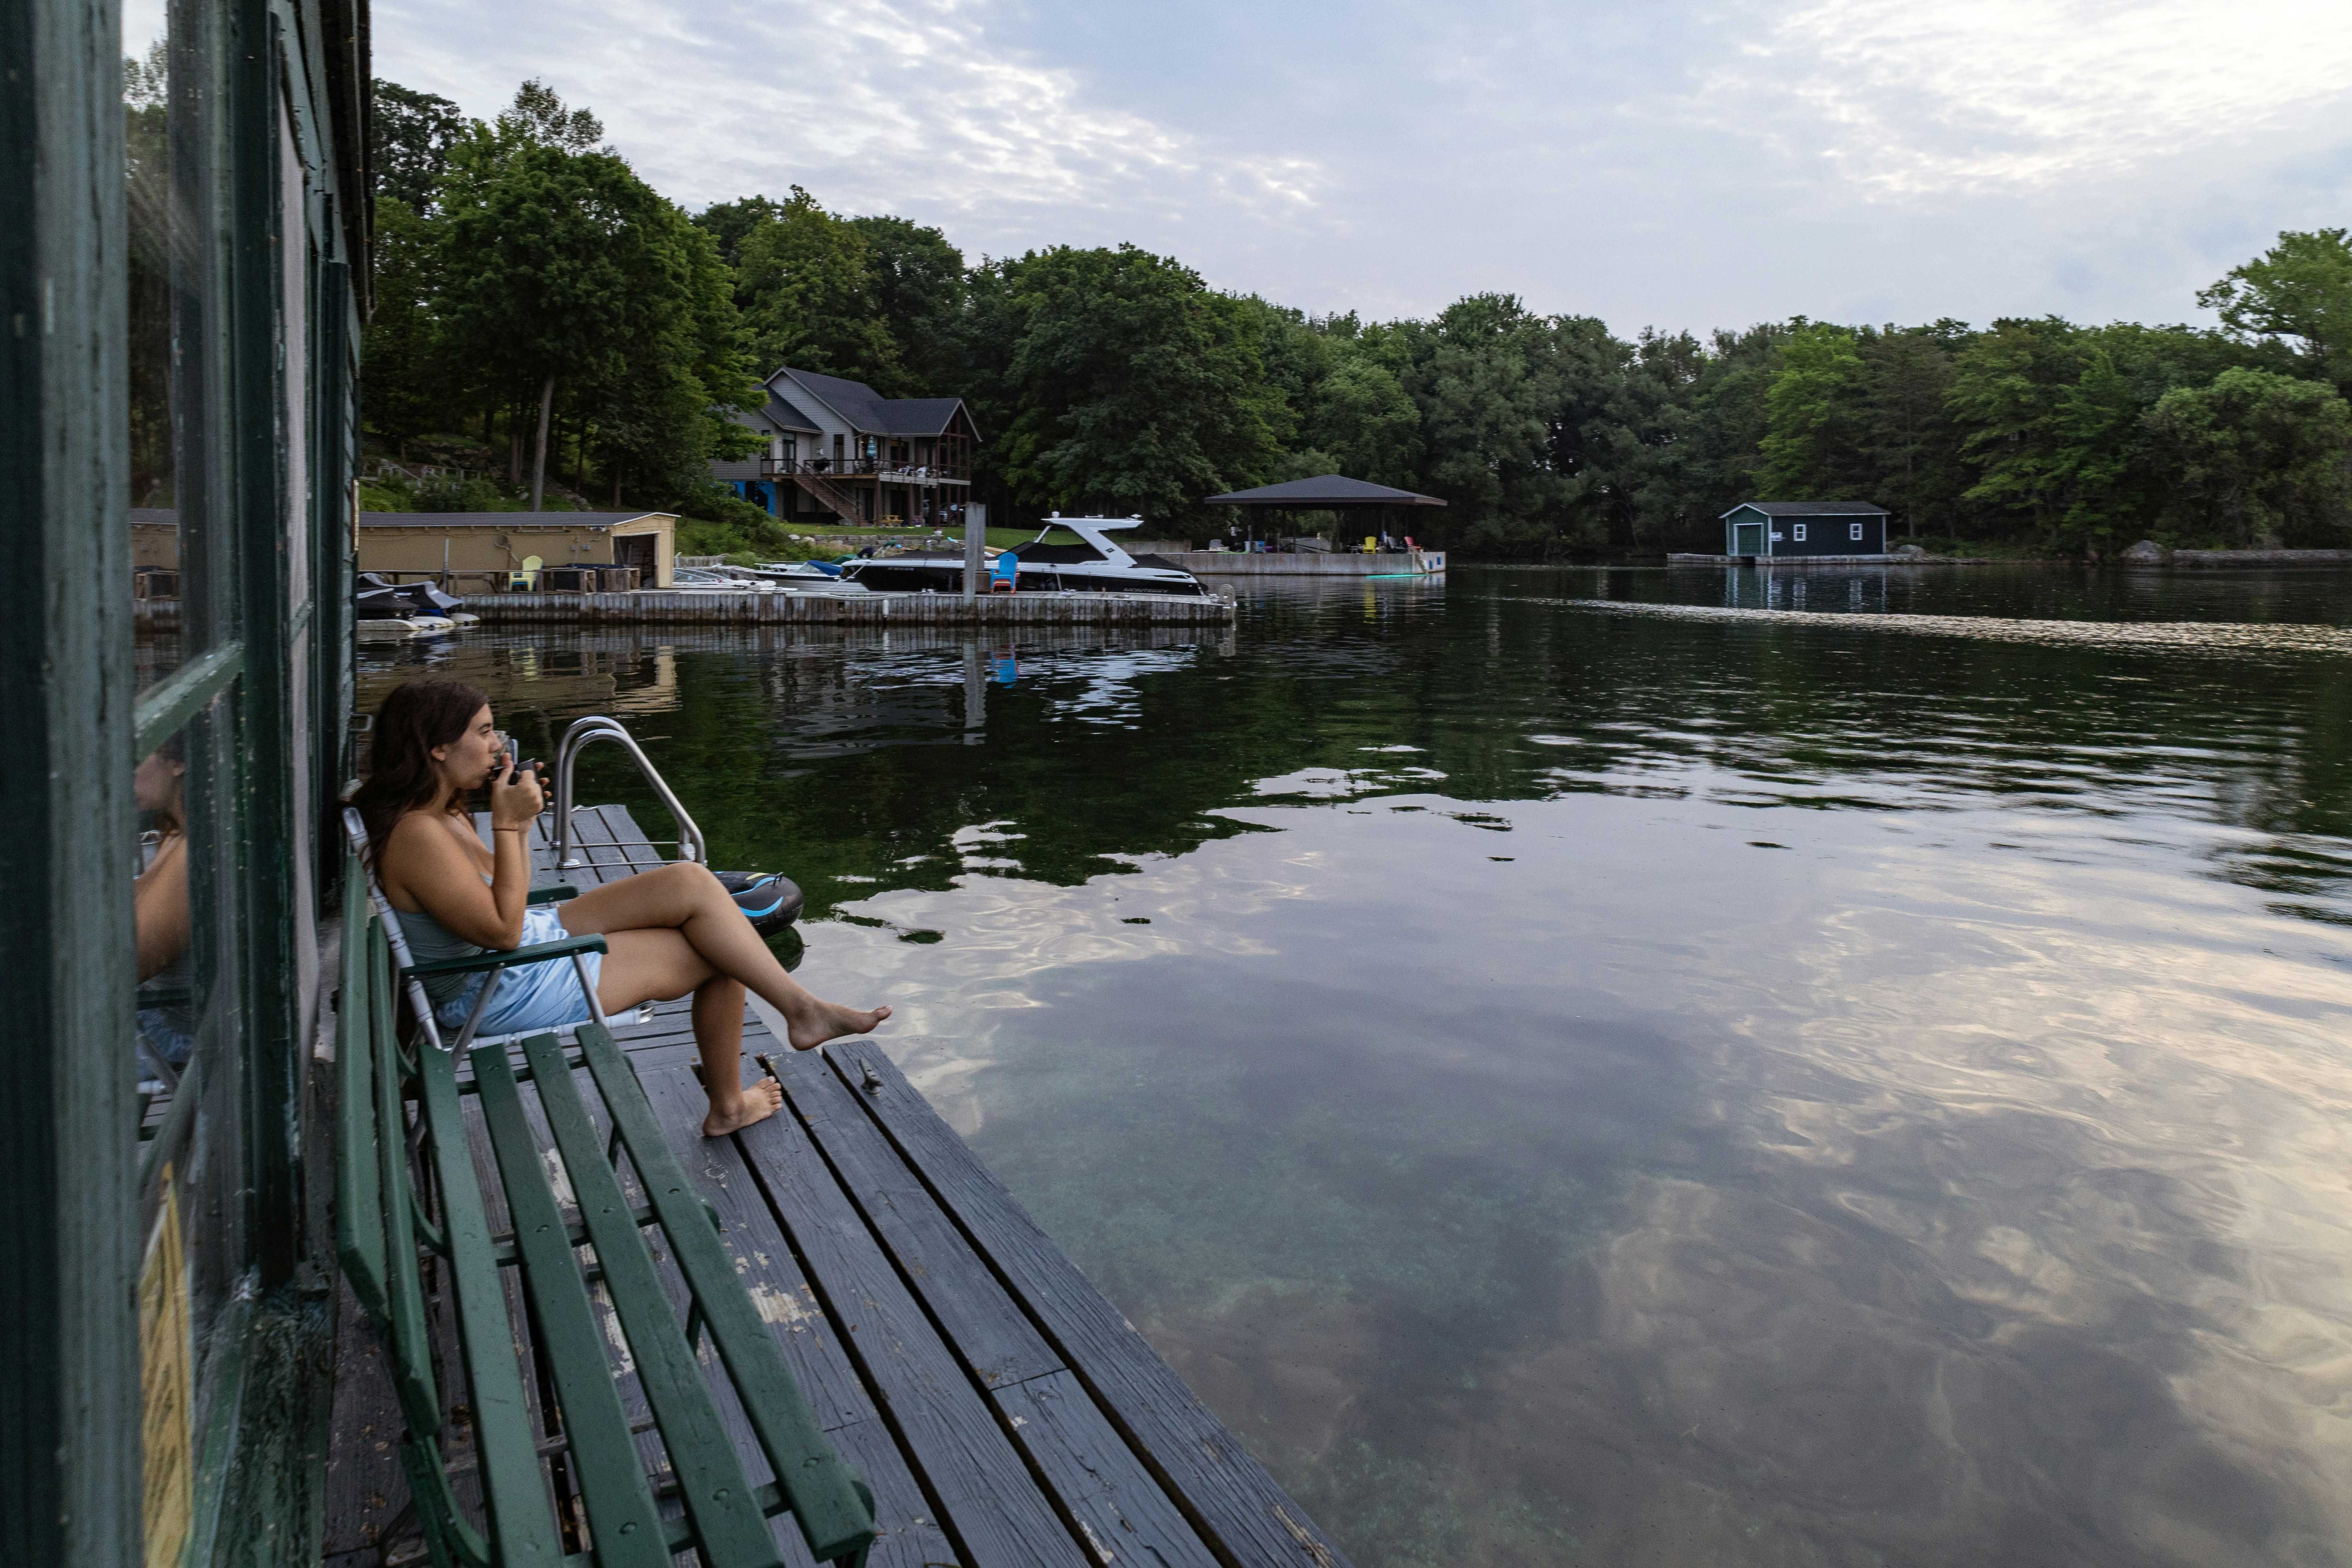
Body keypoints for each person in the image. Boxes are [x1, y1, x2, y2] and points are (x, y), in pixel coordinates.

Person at [354, 679, 888, 1136]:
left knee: (689, 881)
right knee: (722, 953)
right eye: (484, 731)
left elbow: (504, 897)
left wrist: (513, 821)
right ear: (438, 748)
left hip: (518, 947)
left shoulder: (437, 813)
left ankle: (800, 1009)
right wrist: (510, 826)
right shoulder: (417, 833)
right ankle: (732, 1100)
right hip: (494, 985)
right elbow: (502, 932)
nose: (497, 744)